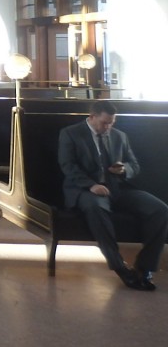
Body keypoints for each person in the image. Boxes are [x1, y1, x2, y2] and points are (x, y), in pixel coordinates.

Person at [58, 100, 168, 291]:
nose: (108, 127)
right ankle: (120, 266)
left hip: (118, 189)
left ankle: (145, 266)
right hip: (85, 190)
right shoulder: (71, 134)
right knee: (96, 207)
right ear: (91, 117)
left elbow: (134, 165)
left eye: (111, 123)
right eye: (104, 123)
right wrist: (92, 185)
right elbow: (68, 166)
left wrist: (125, 169)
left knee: (160, 210)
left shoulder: (120, 136)